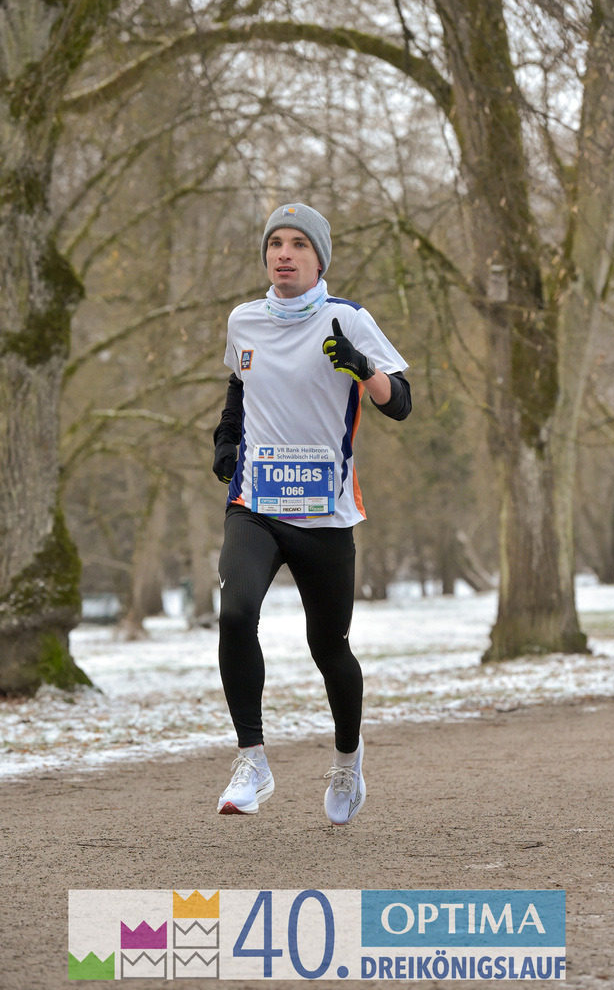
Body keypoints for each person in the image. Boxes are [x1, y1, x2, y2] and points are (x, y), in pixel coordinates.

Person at [212, 202, 411, 824]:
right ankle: (253, 761)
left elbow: (400, 403)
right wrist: (225, 438)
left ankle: (349, 763)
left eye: (299, 243)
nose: (284, 254)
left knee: (329, 647)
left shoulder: (347, 319)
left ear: (319, 258)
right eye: (275, 243)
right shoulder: (243, 319)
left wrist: (365, 369)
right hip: (256, 504)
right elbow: (241, 385)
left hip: (324, 513)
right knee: (235, 612)